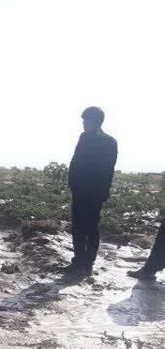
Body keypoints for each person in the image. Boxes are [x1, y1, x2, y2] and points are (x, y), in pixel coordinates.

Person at [62, 106, 117, 275]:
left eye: (86, 121)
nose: (84, 124)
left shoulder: (108, 141)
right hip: (81, 190)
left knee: (89, 227)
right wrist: (72, 183)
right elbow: (75, 161)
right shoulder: (85, 137)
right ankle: (79, 261)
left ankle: (87, 263)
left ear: (94, 122)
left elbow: (108, 170)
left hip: (93, 192)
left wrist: (102, 192)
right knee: (80, 226)